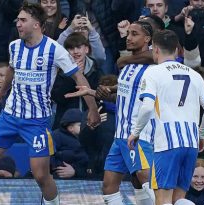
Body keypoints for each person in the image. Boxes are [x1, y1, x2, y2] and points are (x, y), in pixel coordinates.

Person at [0, 3, 100, 205]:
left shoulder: (54, 50)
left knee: (40, 175)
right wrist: (2, 92)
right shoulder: (15, 46)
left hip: (37, 121)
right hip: (10, 115)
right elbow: (12, 69)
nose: (17, 24)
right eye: (17, 20)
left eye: (22, 20)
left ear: (36, 24)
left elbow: (80, 79)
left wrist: (92, 109)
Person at [65, 21, 156, 205]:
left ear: (148, 39)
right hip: (120, 134)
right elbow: (123, 97)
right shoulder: (127, 65)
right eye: (128, 33)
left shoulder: (153, 66)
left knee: (146, 181)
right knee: (108, 186)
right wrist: (92, 92)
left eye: (135, 34)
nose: (128, 38)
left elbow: (161, 56)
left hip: (138, 134)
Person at [127, 30, 204, 205]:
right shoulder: (194, 74)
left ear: (156, 50)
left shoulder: (153, 73)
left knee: (162, 199)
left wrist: (135, 132)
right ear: (176, 50)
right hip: (190, 143)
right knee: (179, 200)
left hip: (167, 143)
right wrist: (201, 135)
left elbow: (146, 108)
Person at [50, 108, 89, 179]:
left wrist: (75, 171)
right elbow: (50, 156)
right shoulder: (56, 136)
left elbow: (86, 161)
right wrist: (57, 168)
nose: (84, 127)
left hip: (79, 176)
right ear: (71, 128)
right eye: (80, 125)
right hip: (58, 175)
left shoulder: (86, 138)